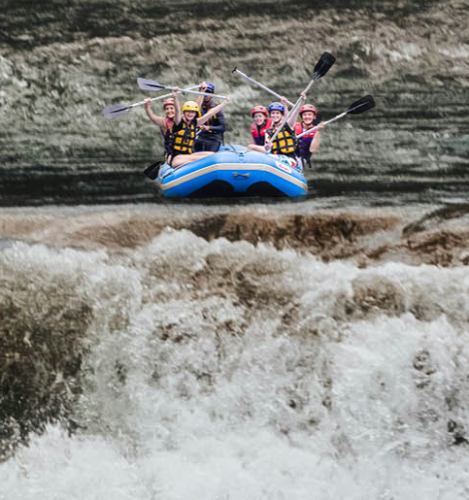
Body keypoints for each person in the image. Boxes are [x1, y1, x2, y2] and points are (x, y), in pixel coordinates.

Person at [168, 88, 231, 169]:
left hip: (189, 155)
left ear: (195, 113)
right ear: (184, 112)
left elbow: (210, 113)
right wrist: (175, 97)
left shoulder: (194, 123)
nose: (190, 114)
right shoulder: (178, 123)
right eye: (188, 112)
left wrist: (224, 103)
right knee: (202, 158)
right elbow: (177, 110)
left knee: (212, 155)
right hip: (177, 158)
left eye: (193, 112)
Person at [264, 94, 306, 158]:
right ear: (270, 115)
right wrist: (267, 147)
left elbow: (295, 112)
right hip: (275, 159)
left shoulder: (288, 126)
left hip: (290, 158)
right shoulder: (268, 131)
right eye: (273, 113)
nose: (275, 115)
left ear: (282, 115)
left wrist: (302, 101)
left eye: (277, 113)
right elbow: (266, 148)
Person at [194, 82, 226, 152]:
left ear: (212, 94)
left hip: (213, 138)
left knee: (211, 152)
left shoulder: (217, 108)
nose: (206, 94)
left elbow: (223, 127)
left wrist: (209, 128)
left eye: (208, 92)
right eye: (204, 92)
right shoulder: (196, 107)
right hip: (200, 136)